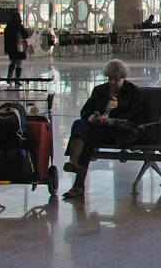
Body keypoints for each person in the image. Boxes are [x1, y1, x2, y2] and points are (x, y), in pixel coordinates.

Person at [61, 60, 145, 200]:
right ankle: (73, 162)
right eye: (109, 79)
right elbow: (85, 110)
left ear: (123, 78)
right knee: (80, 124)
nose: (111, 82)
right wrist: (92, 117)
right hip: (99, 127)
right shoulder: (100, 90)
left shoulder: (133, 92)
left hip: (119, 130)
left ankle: (78, 183)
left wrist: (111, 121)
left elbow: (134, 119)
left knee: (88, 138)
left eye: (115, 80)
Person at [3, 13, 30, 79]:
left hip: (10, 48)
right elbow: (25, 35)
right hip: (19, 47)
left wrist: (6, 49)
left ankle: (9, 75)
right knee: (19, 63)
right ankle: (17, 79)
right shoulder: (20, 26)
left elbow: (5, 39)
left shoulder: (7, 27)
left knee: (12, 62)